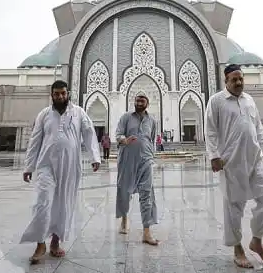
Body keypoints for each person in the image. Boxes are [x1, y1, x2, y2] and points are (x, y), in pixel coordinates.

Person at [20, 80, 101, 264]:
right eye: (56, 94)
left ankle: (55, 242)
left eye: (63, 93)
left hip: (70, 166)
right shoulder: (44, 115)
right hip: (46, 165)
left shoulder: (79, 113)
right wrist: (28, 166)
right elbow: (35, 141)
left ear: (68, 93)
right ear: (52, 95)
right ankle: (40, 244)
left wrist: (95, 157)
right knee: (42, 203)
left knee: (63, 204)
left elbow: (89, 134)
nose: (60, 97)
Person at [205, 64, 263, 269]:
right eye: (234, 79)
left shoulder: (249, 100)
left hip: (254, 157)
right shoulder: (217, 101)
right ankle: (238, 249)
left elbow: (258, 126)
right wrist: (214, 156)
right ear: (226, 81)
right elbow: (210, 130)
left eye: (241, 79)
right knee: (234, 205)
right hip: (231, 160)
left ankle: (257, 239)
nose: (238, 82)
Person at [115, 94, 159, 245]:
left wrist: (151, 155)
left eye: (142, 100)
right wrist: (124, 140)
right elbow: (118, 134)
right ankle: (124, 219)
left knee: (147, 193)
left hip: (146, 160)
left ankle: (147, 231)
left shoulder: (152, 120)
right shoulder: (126, 117)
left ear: (147, 103)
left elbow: (151, 139)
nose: (139, 103)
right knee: (125, 191)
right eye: (137, 100)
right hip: (127, 160)